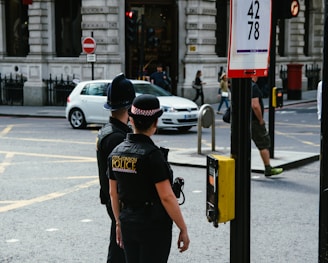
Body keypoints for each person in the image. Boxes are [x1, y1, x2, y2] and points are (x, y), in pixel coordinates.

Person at [108, 94, 190, 262]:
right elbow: (167, 196)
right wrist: (182, 227)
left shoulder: (115, 153)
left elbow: (113, 193)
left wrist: (118, 223)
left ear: (131, 119)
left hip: (128, 222)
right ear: (155, 123)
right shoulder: (153, 156)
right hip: (153, 225)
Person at [96, 73, 136, 263]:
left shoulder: (109, 131)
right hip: (119, 201)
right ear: (129, 107)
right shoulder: (116, 138)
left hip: (113, 199)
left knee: (120, 245)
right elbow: (123, 178)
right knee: (121, 249)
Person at [251, 76, 283, 177]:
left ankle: (239, 168)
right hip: (254, 121)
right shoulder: (253, 87)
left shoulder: (242, 85)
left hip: (242, 120)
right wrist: (261, 120)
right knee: (263, 143)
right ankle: (268, 168)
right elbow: (255, 105)